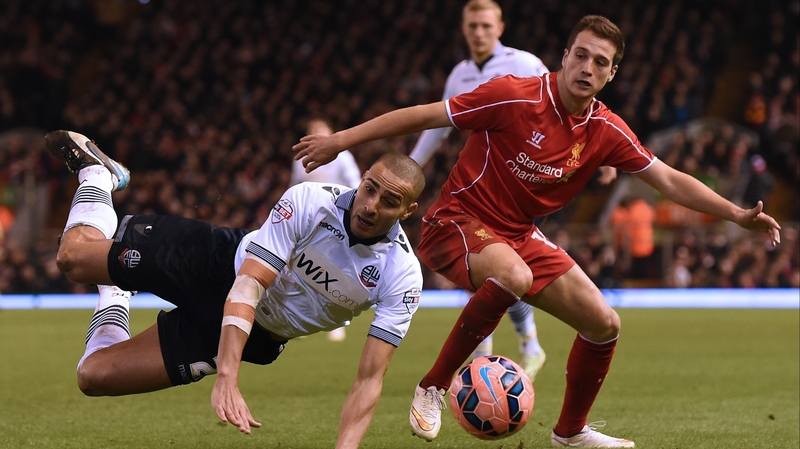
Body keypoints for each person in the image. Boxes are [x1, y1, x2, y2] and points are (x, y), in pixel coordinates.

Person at [293, 15, 781, 448]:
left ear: (612, 74)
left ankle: (569, 433)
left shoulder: (606, 128)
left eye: (601, 62)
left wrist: (736, 213)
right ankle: (434, 385)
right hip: (457, 222)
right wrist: (340, 140)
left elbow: (668, 179)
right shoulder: (513, 94)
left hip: (518, 236)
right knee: (516, 277)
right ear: (565, 57)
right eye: (581, 55)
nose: (587, 68)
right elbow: (427, 115)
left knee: (604, 323)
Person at [46, 130, 426, 449]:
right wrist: (227, 375)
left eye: (389, 201)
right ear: (361, 182)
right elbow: (249, 285)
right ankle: (98, 174)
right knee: (73, 258)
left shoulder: (402, 275)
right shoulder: (311, 201)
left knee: (93, 377)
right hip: (211, 264)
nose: (371, 206)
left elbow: (369, 378)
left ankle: (114, 293)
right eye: (369, 189)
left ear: (407, 211)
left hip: (257, 336)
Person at [409, 0, 551, 380]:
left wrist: (599, 158)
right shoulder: (460, 74)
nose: (479, 32)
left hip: (518, 186)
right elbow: (438, 129)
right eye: (472, 25)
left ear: (500, 27)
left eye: (486, 25)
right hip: (477, 186)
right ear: (463, 28)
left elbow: (564, 107)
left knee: (500, 274)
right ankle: (518, 349)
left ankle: (515, 349)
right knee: (490, 274)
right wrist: (409, 173)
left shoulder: (524, 64)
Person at [290, 116, 362, 342]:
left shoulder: (343, 157)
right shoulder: (301, 156)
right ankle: (296, 317)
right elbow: (294, 186)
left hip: (335, 221)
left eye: (320, 128)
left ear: (331, 131)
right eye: (311, 129)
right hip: (308, 220)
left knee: (333, 270)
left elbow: (357, 185)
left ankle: (335, 321)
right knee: (299, 268)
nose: (315, 132)